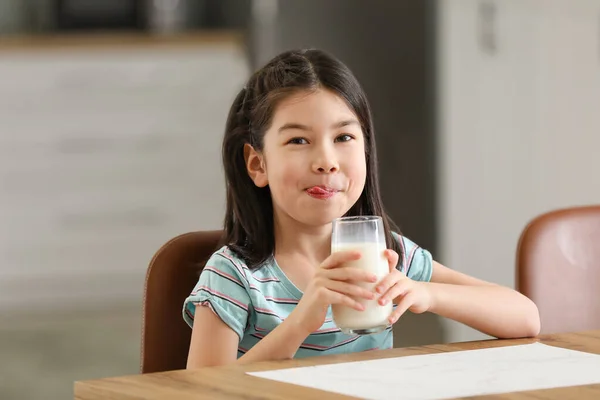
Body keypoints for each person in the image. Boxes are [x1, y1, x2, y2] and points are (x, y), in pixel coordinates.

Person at [183, 49, 540, 369]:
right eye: (298, 140)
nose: (326, 161)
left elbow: (526, 318)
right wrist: (301, 323)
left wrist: (428, 293)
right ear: (258, 164)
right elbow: (201, 392)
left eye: (343, 138)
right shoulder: (234, 277)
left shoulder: (388, 254)